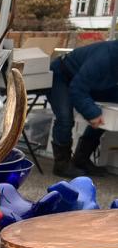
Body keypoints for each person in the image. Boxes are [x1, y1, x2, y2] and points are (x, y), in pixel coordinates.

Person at [49, 40, 118, 176]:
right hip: (62, 76)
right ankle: (61, 165)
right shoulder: (104, 57)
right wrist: (91, 112)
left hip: (86, 80)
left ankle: (81, 160)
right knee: (65, 117)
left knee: (103, 115)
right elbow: (77, 88)